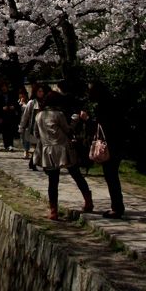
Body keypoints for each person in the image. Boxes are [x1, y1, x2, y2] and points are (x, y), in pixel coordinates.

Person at [34, 90, 93, 220]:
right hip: (63, 149)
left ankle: (53, 211)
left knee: (53, 181)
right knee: (76, 174)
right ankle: (88, 200)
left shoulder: (38, 116)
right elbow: (68, 130)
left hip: (48, 150)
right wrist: (74, 121)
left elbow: (36, 134)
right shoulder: (59, 115)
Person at [86, 81, 125, 219]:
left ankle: (117, 207)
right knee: (112, 176)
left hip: (110, 145)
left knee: (111, 176)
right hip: (117, 143)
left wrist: (88, 119)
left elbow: (102, 127)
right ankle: (117, 205)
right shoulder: (113, 102)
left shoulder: (104, 107)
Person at [19, 83, 46, 170]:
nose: (41, 93)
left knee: (40, 147)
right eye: (39, 91)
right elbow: (25, 116)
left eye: (42, 91)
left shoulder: (45, 102)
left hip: (43, 128)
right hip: (34, 128)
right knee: (38, 147)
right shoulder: (32, 103)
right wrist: (21, 127)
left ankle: (33, 163)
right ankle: (34, 163)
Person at [0, 82, 18, 151]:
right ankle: (6, 145)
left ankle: (10, 145)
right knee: (4, 131)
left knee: (10, 131)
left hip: (10, 115)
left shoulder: (11, 94)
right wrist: (2, 108)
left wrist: (13, 107)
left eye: (5, 86)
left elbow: (16, 104)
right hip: (3, 115)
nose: (4, 88)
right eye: (2, 87)